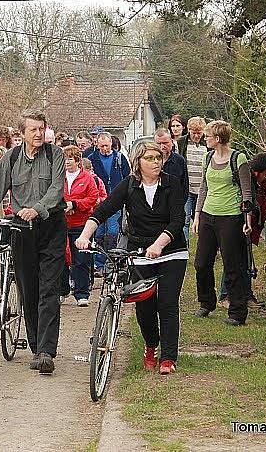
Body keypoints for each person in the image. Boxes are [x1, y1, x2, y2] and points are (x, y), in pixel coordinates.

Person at [0, 109, 66, 375]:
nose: (39, 133)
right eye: (33, 129)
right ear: (21, 134)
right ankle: (36, 347)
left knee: (49, 290)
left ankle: (46, 350)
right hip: (22, 229)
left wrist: (38, 208)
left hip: (51, 225)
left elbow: (56, 190)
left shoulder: (56, 155)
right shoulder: (10, 159)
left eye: (41, 128)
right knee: (28, 290)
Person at [76, 141, 188, 375]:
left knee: (167, 303)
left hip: (171, 252)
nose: (156, 162)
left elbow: (178, 220)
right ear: (138, 162)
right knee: (145, 306)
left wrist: (159, 244)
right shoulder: (129, 186)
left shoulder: (172, 184)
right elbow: (103, 210)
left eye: (158, 157)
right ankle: (150, 345)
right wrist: (85, 236)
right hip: (139, 253)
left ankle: (168, 357)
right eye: (150, 158)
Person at [192, 120, 254, 326]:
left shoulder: (238, 158)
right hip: (208, 216)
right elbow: (203, 187)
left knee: (232, 265)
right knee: (201, 263)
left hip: (230, 217)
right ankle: (206, 302)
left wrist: (247, 220)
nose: (204, 138)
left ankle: (237, 312)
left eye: (207, 136)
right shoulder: (207, 157)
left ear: (217, 139)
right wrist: (197, 215)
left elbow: (246, 192)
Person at [218, 152, 266, 307]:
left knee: (245, 260)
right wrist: (247, 222)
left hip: (251, 225)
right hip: (240, 223)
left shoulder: (260, 182)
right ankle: (225, 296)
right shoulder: (247, 180)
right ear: (265, 169)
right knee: (233, 259)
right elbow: (245, 202)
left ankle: (247, 295)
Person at [60, 145, 104, 307]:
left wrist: (75, 205)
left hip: (82, 224)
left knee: (81, 259)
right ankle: (62, 289)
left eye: (70, 159)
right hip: (61, 223)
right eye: (64, 159)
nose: (67, 162)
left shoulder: (87, 178)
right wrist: (64, 206)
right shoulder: (58, 177)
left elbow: (93, 198)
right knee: (61, 258)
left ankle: (81, 293)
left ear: (78, 160)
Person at [87, 132, 131, 272]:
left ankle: (111, 263)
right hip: (98, 201)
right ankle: (99, 264)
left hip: (115, 200)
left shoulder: (120, 158)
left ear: (111, 144)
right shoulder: (92, 159)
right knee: (98, 233)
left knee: (113, 232)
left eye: (106, 145)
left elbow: (127, 177)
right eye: (101, 146)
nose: (104, 149)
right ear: (97, 145)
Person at [177, 117, 208, 240]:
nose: (196, 136)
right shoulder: (182, 143)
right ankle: (184, 248)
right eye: (193, 133)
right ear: (189, 130)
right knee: (184, 221)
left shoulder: (207, 144)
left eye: (199, 133)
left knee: (203, 221)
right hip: (187, 189)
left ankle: (205, 246)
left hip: (203, 190)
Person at [154, 128, 189, 195]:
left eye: (165, 143)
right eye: (158, 143)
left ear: (172, 142)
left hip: (174, 202)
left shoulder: (179, 160)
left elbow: (184, 186)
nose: (162, 146)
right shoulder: (149, 161)